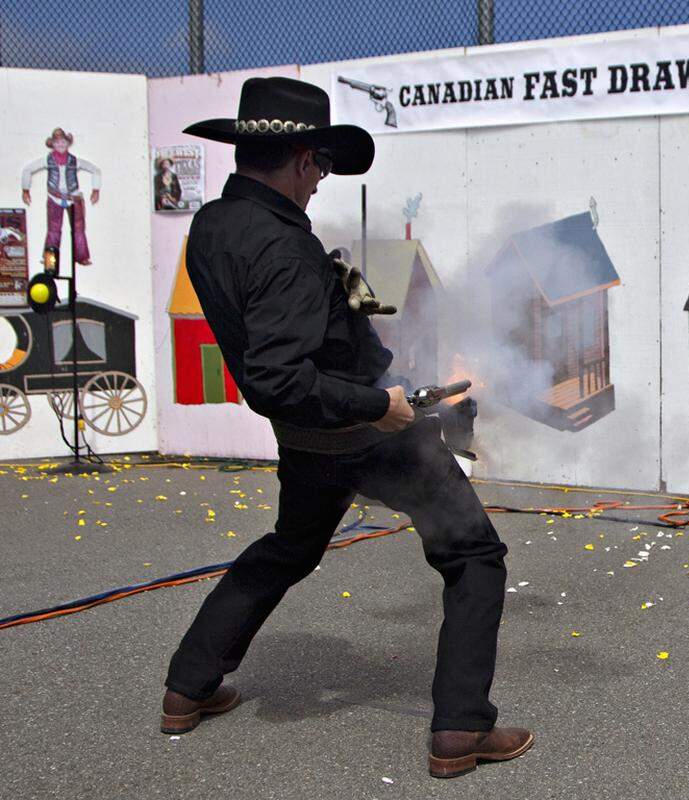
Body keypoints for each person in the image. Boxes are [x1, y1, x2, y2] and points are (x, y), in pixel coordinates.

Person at [163, 76, 531, 779]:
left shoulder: (215, 224)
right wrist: (380, 407)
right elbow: (279, 374)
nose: (322, 183)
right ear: (302, 159)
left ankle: (189, 685)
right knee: (474, 558)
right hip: (366, 429)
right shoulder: (285, 250)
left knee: (289, 549)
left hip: (308, 440)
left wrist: (347, 297)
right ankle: (460, 731)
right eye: (321, 166)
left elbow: (301, 338)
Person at [20, 128, 101, 266]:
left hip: (73, 198)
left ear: (68, 143)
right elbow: (28, 170)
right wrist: (25, 189)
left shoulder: (75, 161)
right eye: (57, 142)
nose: (60, 145)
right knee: (53, 230)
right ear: (52, 144)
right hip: (55, 198)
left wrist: (95, 189)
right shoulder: (47, 160)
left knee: (78, 229)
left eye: (63, 141)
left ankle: (82, 257)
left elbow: (95, 170)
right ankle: (50, 261)